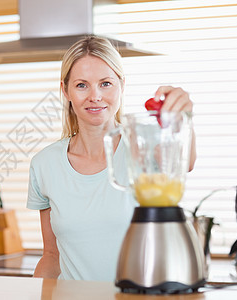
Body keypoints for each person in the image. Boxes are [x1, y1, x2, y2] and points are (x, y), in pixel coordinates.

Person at [26, 35, 197, 281]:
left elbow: (186, 162)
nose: (95, 96)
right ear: (66, 91)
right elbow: (51, 256)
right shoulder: (44, 164)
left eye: (105, 83)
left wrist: (183, 117)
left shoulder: (144, 146)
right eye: (82, 85)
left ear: (121, 85)